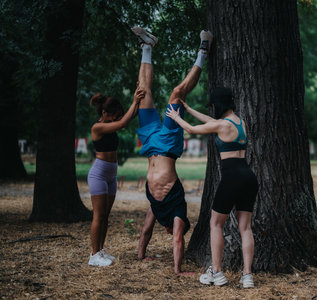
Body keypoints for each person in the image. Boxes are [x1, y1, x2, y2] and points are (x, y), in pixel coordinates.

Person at [131, 26, 213, 275]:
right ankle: (201, 51)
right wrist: (178, 270)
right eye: (173, 229)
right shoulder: (178, 213)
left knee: (142, 91)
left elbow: (145, 231)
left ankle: (146, 48)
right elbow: (178, 240)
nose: (170, 232)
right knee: (176, 94)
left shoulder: (156, 208)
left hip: (150, 144)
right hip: (166, 145)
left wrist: (141, 255)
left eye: (170, 230)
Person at [166, 87, 259, 287]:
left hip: (232, 177)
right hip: (249, 177)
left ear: (219, 105)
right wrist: (189, 109)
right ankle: (247, 276)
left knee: (216, 224)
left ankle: (216, 272)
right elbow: (212, 122)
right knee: (245, 227)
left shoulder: (221, 125)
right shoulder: (241, 122)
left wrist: (176, 116)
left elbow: (190, 129)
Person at [87, 87, 145, 266]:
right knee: (98, 215)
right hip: (98, 174)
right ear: (104, 112)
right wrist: (134, 101)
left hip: (111, 174)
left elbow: (128, 118)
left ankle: (101, 251)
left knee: (105, 215)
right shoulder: (97, 127)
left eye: (119, 115)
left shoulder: (111, 124)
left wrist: (139, 99)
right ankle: (93, 255)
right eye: (114, 115)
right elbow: (122, 124)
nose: (117, 118)